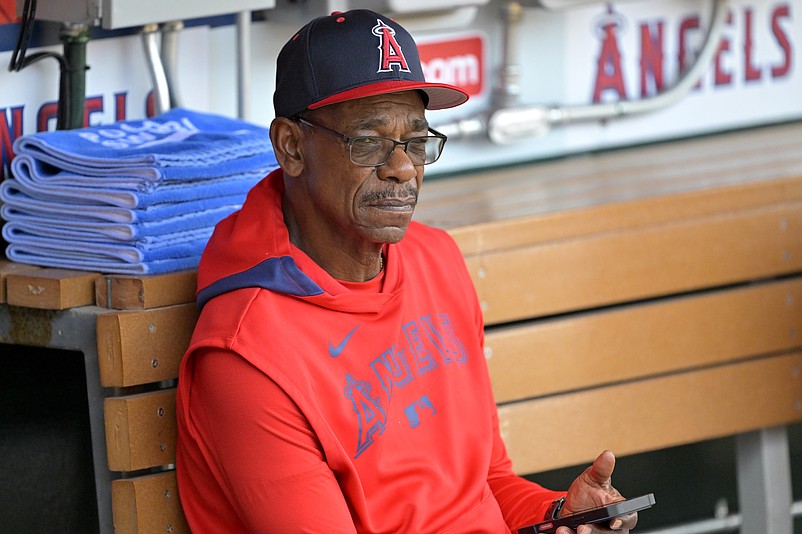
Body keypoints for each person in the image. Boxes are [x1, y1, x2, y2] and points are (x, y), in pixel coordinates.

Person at [175, 9, 639, 534]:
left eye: (416, 142)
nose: (402, 168)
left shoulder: (434, 258)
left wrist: (555, 516)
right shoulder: (248, 356)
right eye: (369, 141)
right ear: (292, 146)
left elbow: (486, 483)